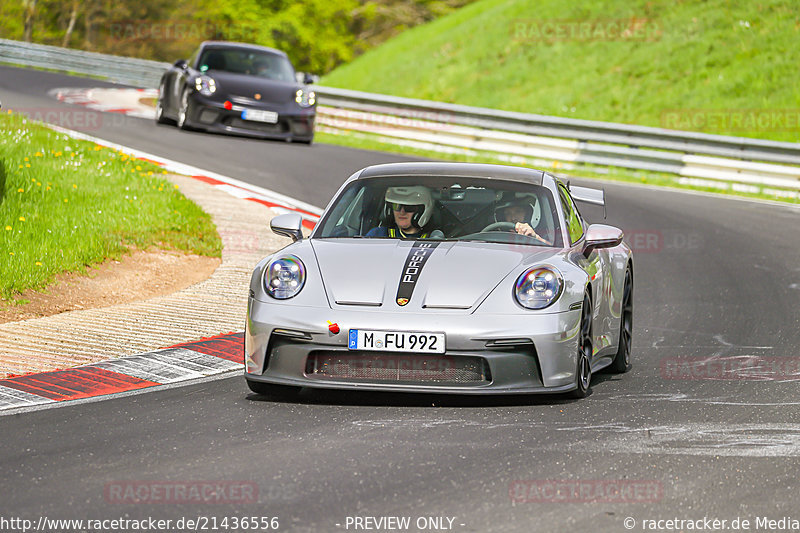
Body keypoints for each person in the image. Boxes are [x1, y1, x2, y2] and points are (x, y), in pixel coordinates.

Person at [366, 186, 439, 239]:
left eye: (409, 207)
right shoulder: (376, 235)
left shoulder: (435, 240)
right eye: (396, 206)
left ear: (422, 211)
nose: (402, 212)